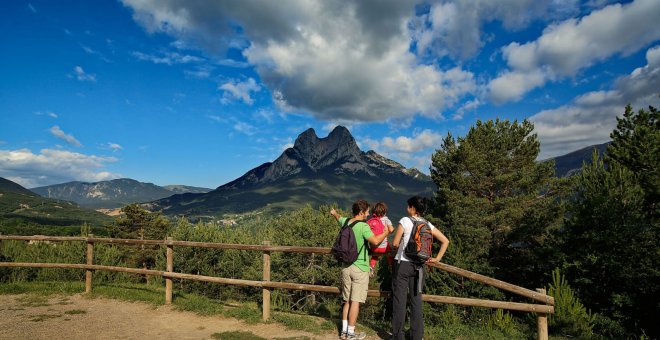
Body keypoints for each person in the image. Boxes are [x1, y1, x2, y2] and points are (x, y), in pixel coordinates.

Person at [390, 196, 449, 340]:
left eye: (408, 206)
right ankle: (417, 336)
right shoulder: (428, 224)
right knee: (416, 301)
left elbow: (395, 243)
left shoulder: (405, 220)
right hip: (419, 267)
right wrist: (437, 258)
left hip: (402, 265)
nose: (406, 208)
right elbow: (445, 241)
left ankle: (398, 336)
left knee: (400, 301)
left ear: (412, 208)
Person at [330, 200, 390, 340]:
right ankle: (351, 334)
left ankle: (344, 333)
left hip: (346, 267)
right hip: (360, 267)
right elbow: (375, 241)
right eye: (367, 211)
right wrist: (386, 233)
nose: (369, 214)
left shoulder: (346, 222)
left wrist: (334, 213)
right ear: (361, 212)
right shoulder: (363, 226)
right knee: (355, 301)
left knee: (347, 300)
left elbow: (339, 217)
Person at [367, 202, 395, 277]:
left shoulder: (371, 221)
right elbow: (391, 230)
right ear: (384, 212)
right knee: (390, 250)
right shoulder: (386, 219)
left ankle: (371, 266)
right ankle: (390, 265)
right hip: (383, 248)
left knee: (375, 256)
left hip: (373, 248)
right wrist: (387, 232)